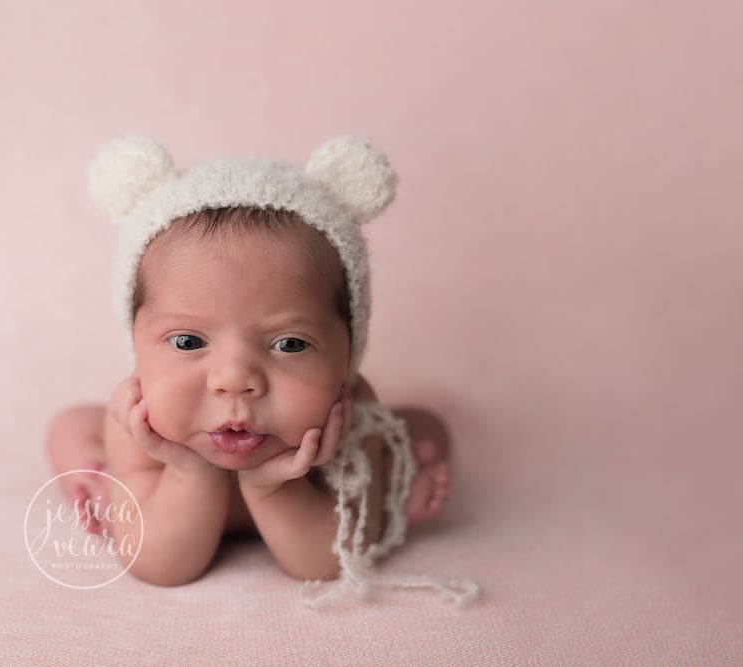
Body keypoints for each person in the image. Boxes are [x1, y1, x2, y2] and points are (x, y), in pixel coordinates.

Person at [45, 136, 476, 605]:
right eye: (189, 342)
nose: (235, 380)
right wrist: (191, 472)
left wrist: (271, 487)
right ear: (136, 345)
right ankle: (93, 475)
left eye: (289, 344)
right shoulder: (138, 420)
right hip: (163, 482)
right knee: (72, 425)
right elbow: (161, 567)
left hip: (308, 474)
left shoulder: (352, 413)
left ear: (348, 352)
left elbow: (327, 561)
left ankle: (394, 475)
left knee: (422, 423)